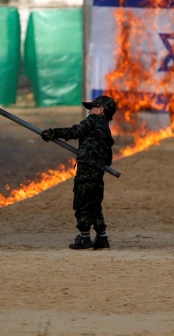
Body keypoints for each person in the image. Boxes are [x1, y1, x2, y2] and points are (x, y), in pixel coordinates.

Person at [41, 96, 117, 251]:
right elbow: (108, 158)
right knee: (95, 203)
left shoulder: (93, 120)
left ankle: (84, 238)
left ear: (101, 109)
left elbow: (76, 131)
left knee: (82, 201)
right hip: (98, 170)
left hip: (87, 168)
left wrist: (53, 132)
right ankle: (102, 239)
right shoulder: (106, 129)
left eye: (92, 107)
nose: (89, 110)